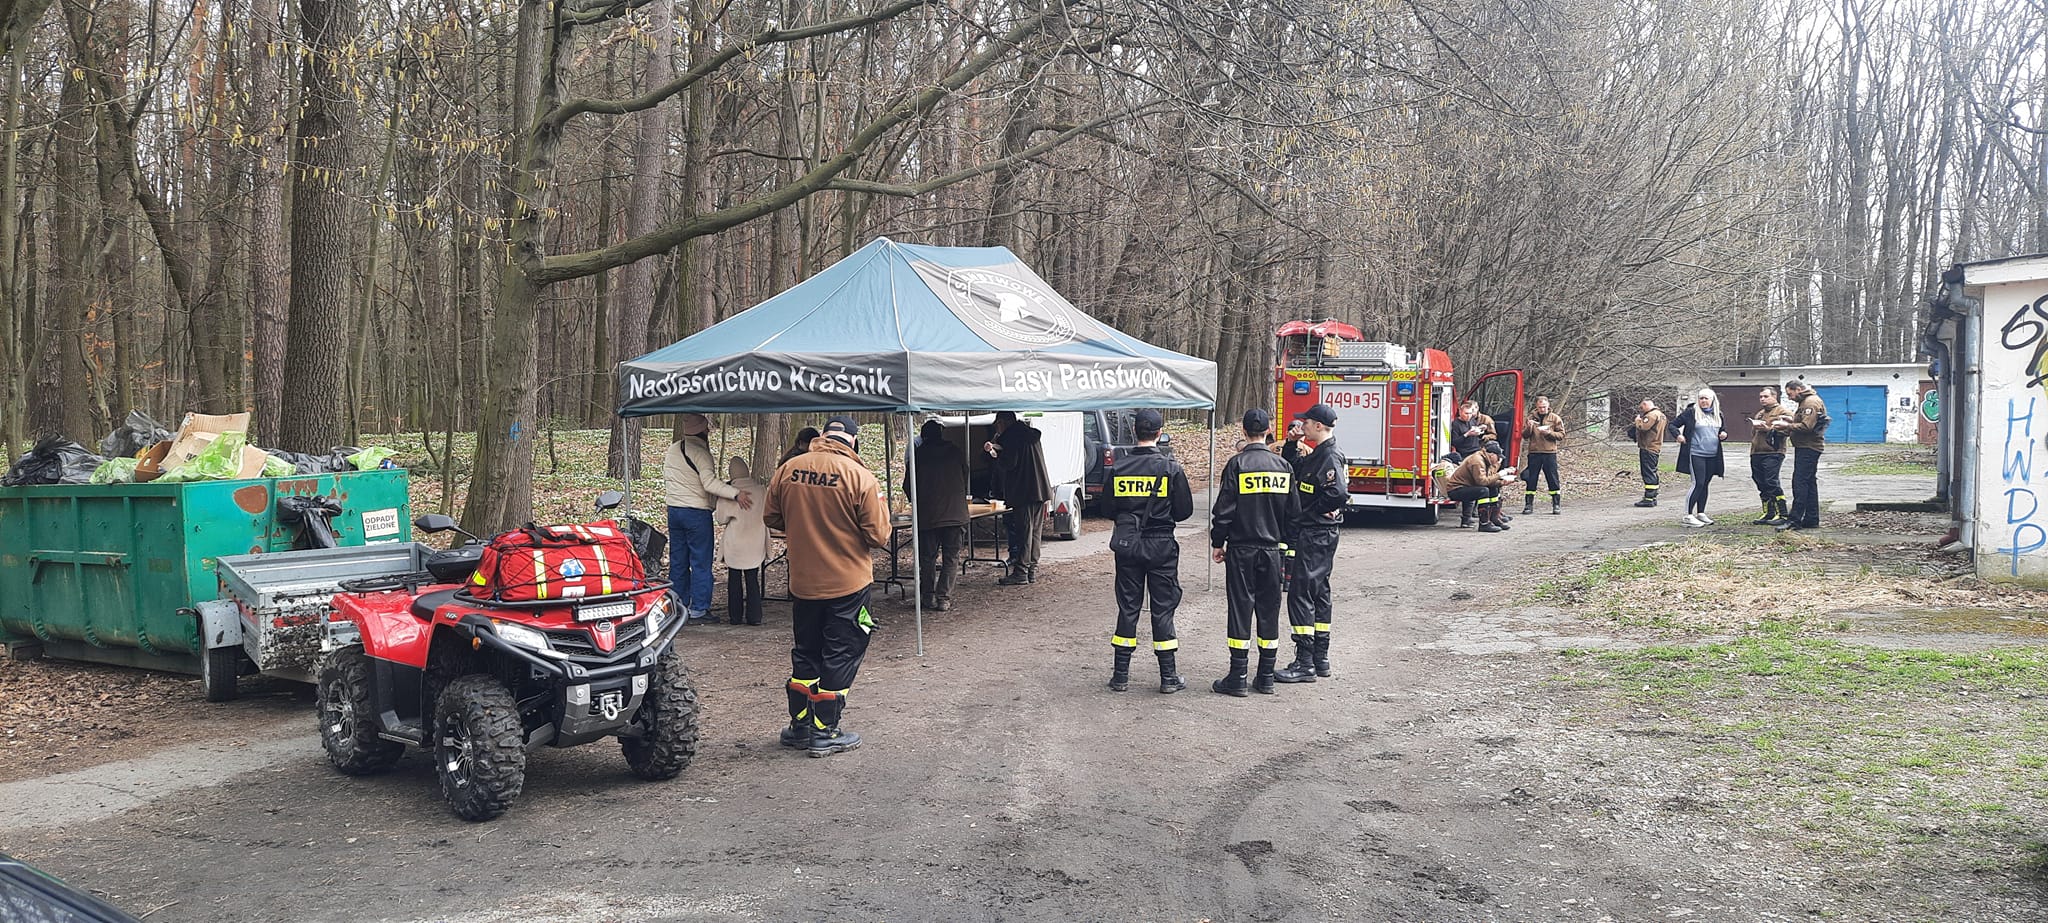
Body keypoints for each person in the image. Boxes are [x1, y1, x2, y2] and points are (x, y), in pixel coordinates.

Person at [764, 416, 890, 757]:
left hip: (803, 581)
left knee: (806, 652)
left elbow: (771, 517)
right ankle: (825, 731)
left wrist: (803, 527)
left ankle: (800, 726)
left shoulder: (788, 469)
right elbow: (879, 535)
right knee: (842, 652)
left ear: (822, 436)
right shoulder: (860, 477)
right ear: (853, 442)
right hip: (847, 582)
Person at [1104, 409, 1195, 694]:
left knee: (1128, 608)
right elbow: (1184, 510)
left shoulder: (1119, 467)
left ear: (1134, 431)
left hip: (1128, 546)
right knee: (1163, 609)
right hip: (1161, 545)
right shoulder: (1170, 468)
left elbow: (1107, 508)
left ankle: (1120, 676)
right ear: (1159, 433)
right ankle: (1168, 677)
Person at [1209, 409, 1297, 697]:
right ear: (1269, 431)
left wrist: (1218, 542)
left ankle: (1238, 676)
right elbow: (1293, 513)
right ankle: (1266, 676)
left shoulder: (1237, 464)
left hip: (1242, 549)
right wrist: (1287, 547)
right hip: (1272, 550)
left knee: (1241, 609)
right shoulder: (1283, 466)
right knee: (1269, 610)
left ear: (1244, 432)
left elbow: (1224, 510)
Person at [1277, 403, 1346, 683]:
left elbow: (1337, 493)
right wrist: (1291, 444)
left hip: (1317, 532)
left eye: (1305, 422)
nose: (1301, 426)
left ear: (1318, 426)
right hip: (1319, 532)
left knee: (1301, 593)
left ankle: (1305, 662)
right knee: (1318, 592)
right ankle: (1319, 658)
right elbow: (1294, 470)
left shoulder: (1329, 455)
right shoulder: (1318, 453)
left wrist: (1309, 512)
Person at [665, 413, 749, 623]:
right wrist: (735, 493)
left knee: (678, 561)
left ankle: (677, 605)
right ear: (702, 431)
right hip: (696, 513)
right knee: (700, 562)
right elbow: (709, 483)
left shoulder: (673, 449)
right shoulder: (701, 453)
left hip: (674, 510)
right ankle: (699, 609)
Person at [907, 419, 968, 612]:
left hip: (928, 516)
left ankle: (927, 596)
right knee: (951, 557)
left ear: (923, 436)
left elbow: (908, 485)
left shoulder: (918, 455)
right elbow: (965, 476)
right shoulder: (956, 452)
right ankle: (944, 598)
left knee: (927, 558)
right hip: (955, 514)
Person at [987, 411, 1051, 586]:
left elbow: (1009, 463)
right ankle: (1032, 570)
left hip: (1024, 491)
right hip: (1040, 489)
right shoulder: (1029, 435)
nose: (997, 428)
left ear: (1003, 423)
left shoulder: (1011, 437)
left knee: (1024, 533)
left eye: (997, 424)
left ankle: (1021, 571)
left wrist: (996, 455)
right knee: (1035, 532)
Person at [715, 457, 770, 625]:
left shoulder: (729, 492)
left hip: (735, 542)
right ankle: (755, 617)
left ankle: (735, 616)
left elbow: (721, 519)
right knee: (752, 579)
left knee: (734, 579)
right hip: (755, 541)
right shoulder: (761, 490)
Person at [1774, 380, 1828, 532]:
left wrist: (1787, 425)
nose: (1789, 397)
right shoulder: (1807, 401)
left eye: (1790, 394)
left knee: (1800, 483)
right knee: (1809, 483)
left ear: (1798, 389)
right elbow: (1806, 421)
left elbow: (1807, 426)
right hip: (1808, 446)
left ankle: (1794, 520)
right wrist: (1792, 420)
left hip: (1808, 447)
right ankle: (1811, 518)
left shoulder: (1810, 402)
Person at [1671, 389, 1728, 528]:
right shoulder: (1691, 413)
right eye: (1701, 398)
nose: (1703, 401)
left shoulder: (1718, 414)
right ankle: (1688, 515)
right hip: (1696, 453)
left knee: (1705, 484)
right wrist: (1678, 435)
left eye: (1706, 398)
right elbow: (1672, 425)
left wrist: (1724, 434)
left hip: (1712, 454)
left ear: (1712, 400)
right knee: (1698, 483)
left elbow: (1722, 430)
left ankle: (1701, 513)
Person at [1447, 441, 1515, 533]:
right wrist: (1500, 474)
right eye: (1498, 457)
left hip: (1466, 486)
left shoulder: (1484, 460)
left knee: (1493, 488)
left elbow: (1488, 479)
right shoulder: (1477, 461)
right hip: (1456, 489)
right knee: (1483, 491)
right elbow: (1482, 482)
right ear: (1492, 455)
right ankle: (1484, 523)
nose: (1498, 460)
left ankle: (1494, 518)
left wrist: (1502, 482)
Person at [1747, 387, 1792, 526]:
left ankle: (1782, 513)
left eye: (1766, 396)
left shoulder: (1783, 412)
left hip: (1773, 452)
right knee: (1760, 482)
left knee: (1771, 482)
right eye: (1761, 397)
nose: (1762, 399)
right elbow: (1753, 433)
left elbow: (1789, 430)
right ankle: (1768, 512)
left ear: (1774, 396)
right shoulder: (1760, 413)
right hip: (1757, 452)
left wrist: (1768, 429)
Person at [1521, 396, 1564, 516]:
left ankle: (1556, 504)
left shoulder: (1555, 418)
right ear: (1536, 406)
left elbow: (1561, 435)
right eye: (1540, 407)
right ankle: (1528, 505)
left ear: (1548, 405)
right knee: (1531, 479)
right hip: (1534, 452)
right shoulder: (1530, 418)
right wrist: (1529, 427)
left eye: (1544, 407)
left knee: (1552, 478)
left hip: (1549, 452)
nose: (1542, 409)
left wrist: (1549, 433)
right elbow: (1524, 435)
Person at [1630, 399, 1667, 507]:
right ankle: (1653, 496)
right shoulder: (1661, 415)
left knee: (1648, 472)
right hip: (1655, 447)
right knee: (1653, 471)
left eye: (1641, 407)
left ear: (1646, 404)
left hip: (1648, 447)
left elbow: (1644, 427)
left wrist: (1638, 421)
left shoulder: (1651, 415)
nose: (1641, 410)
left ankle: (1648, 498)